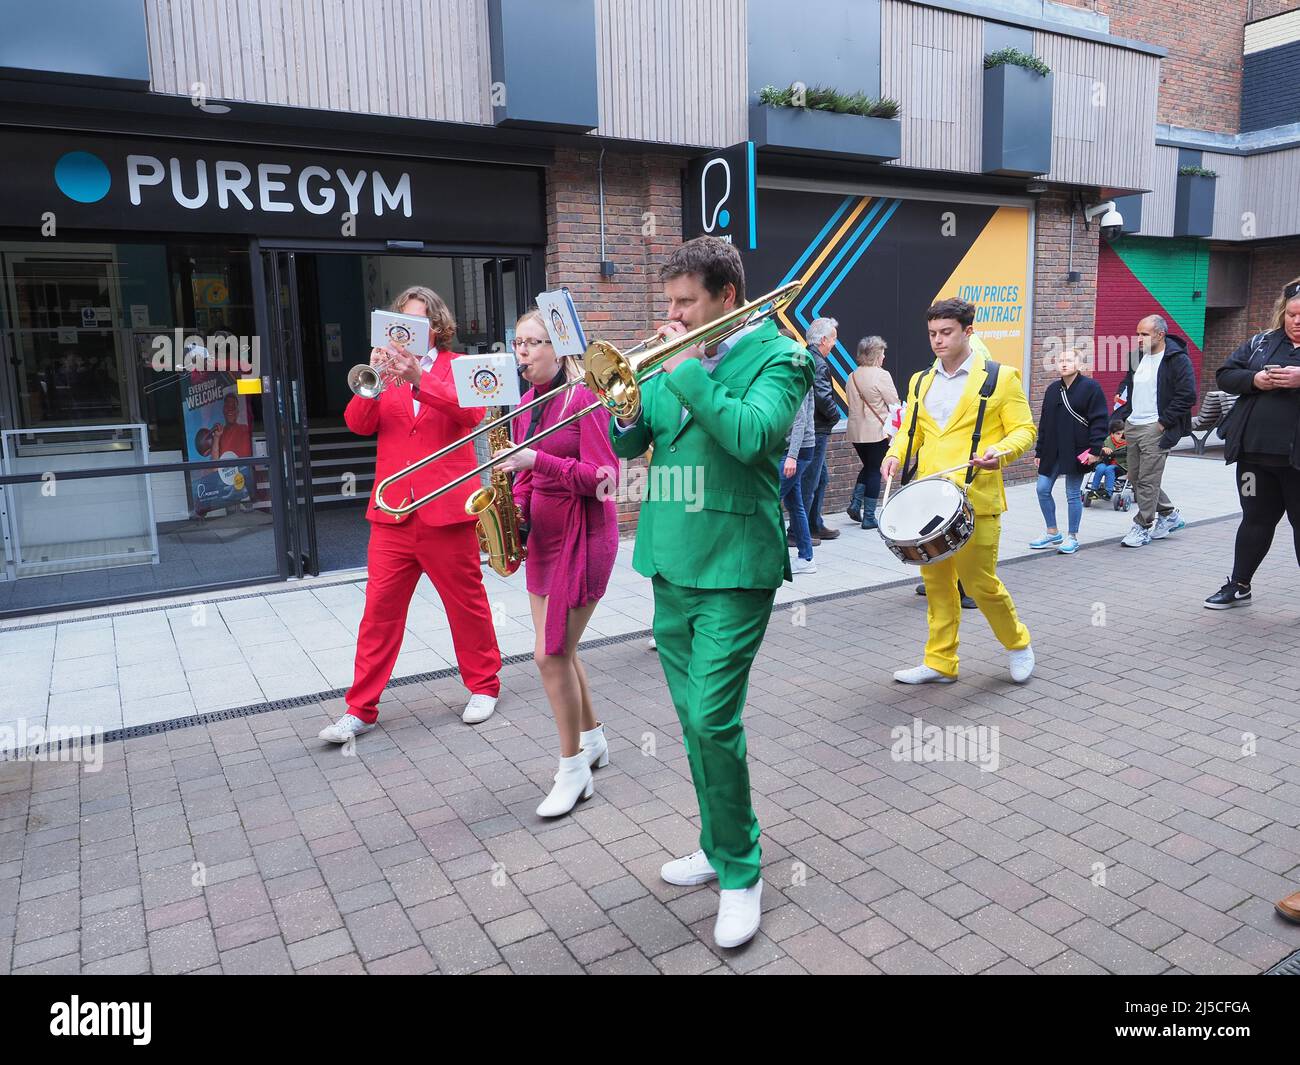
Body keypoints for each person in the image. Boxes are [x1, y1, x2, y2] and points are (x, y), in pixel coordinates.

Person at [610, 236, 811, 949]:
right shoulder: (671, 359)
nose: (670, 316)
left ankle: (742, 871)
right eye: (667, 303)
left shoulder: (785, 357)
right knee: (692, 722)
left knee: (712, 720)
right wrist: (627, 411)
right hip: (669, 558)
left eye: (684, 303)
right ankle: (717, 837)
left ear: (727, 298)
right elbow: (633, 445)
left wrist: (688, 367)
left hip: (735, 564)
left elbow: (754, 436)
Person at [320, 286, 503, 745]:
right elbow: (359, 424)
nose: (403, 337)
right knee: (378, 615)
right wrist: (376, 380)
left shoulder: (459, 368)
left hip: (446, 512)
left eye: (413, 326)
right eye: (398, 327)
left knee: (466, 606)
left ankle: (483, 685)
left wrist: (419, 377)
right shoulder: (386, 374)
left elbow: (473, 412)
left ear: (436, 328)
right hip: (393, 515)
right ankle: (360, 709)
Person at [495, 310, 620, 816]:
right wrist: (515, 513)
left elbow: (606, 478)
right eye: (518, 343)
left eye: (533, 343)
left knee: (548, 656)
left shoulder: (583, 399)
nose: (522, 352)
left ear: (560, 347)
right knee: (561, 652)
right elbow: (523, 481)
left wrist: (538, 462)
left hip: (585, 535)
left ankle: (573, 772)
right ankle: (592, 741)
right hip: (545, 538)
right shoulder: (524, 405)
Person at [882, 298, 1037, 685]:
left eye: (946, 332)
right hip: (928, 500)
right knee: (936, 587)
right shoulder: (921, 380)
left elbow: (1025, 430)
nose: (938, 340)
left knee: (982, 585)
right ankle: (940, 662)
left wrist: (999, 452)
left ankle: (1018, 645)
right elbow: (910, 430)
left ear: (968, 332)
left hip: (976, 499)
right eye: (933, 333)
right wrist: (894, 454)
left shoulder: (1001, 377)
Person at [1203, 278, 1300, 610]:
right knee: (1254, 521)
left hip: (1296, 461)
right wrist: (1255, 380)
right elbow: (1225, 374)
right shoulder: (1262, 343)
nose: (1296, 321)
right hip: (1255, 455)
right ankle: (1239, 585)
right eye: (1291, 314)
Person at [1113, 314, 1197, 547]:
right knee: (1136, 477)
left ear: (1160, 335)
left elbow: (1188, 395)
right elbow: (1126, 385)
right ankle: (1170, 515)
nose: (1138, 339)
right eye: (1137, 333)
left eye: (1144, 334)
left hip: (1156, 427)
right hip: (1133, 424)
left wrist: (1163, 422)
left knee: (1148, 480)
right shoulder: (1135, 357)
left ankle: (1142, 526)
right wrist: (1120, 415)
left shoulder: (1176, 359)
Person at [1031, 347, 1108, 554]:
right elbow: (1044, 423)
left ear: (1080, 365)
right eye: (1061, 360)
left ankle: (1072, 536)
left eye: (1069, 360)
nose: (1064, 364)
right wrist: (1039, 451)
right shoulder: (1052, 389)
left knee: (1073, 494)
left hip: (1077, 449)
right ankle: (1052, 531)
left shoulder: (1091, 388)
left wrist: (1095, 450)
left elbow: (1099, 421)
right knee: (1042, 489)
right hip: (1051, 449)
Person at [845, 335, 899, 530]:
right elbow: (894, 403)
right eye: (883, 353)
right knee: (875, 470)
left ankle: (855, 503)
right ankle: (868, 517)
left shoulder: (852, 376)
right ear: (876, 355)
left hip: (856, 431)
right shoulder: (882, 375)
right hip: (877, 431)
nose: (884, 357)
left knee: (868, 466)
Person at [799, 316, 841, 542]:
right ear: (824, 339)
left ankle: (814, 524)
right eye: (833, 339)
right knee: (810, 481)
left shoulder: (808, 356)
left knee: (820, 478)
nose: (834, 344)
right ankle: (799, 531)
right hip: (817, 429)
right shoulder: (818, 362)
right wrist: (835, 416)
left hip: (814, 427)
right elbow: (822, 396)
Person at [778, 328, 817, 573]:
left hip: (799, 450)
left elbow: (800, 420)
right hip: (794, 449)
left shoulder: (798, 374)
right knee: (795, 504)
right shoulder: (789, 372)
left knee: (771, 501)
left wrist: (792, 456)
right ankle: (806, 558)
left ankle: (776, 558)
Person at [1088, 419, 1128, 498]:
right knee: (1100, 467)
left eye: (1123, 434)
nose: (1121, 436)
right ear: (1112, 434)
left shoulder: (1127, 443)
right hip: (1107, 462)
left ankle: (1108, 492)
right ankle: (1093, 490)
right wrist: (1103, 449)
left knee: (1109, 468)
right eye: (1118, 434)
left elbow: (1131, 457)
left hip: (1120, 466)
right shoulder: (1108, 440)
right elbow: (1099, 449)